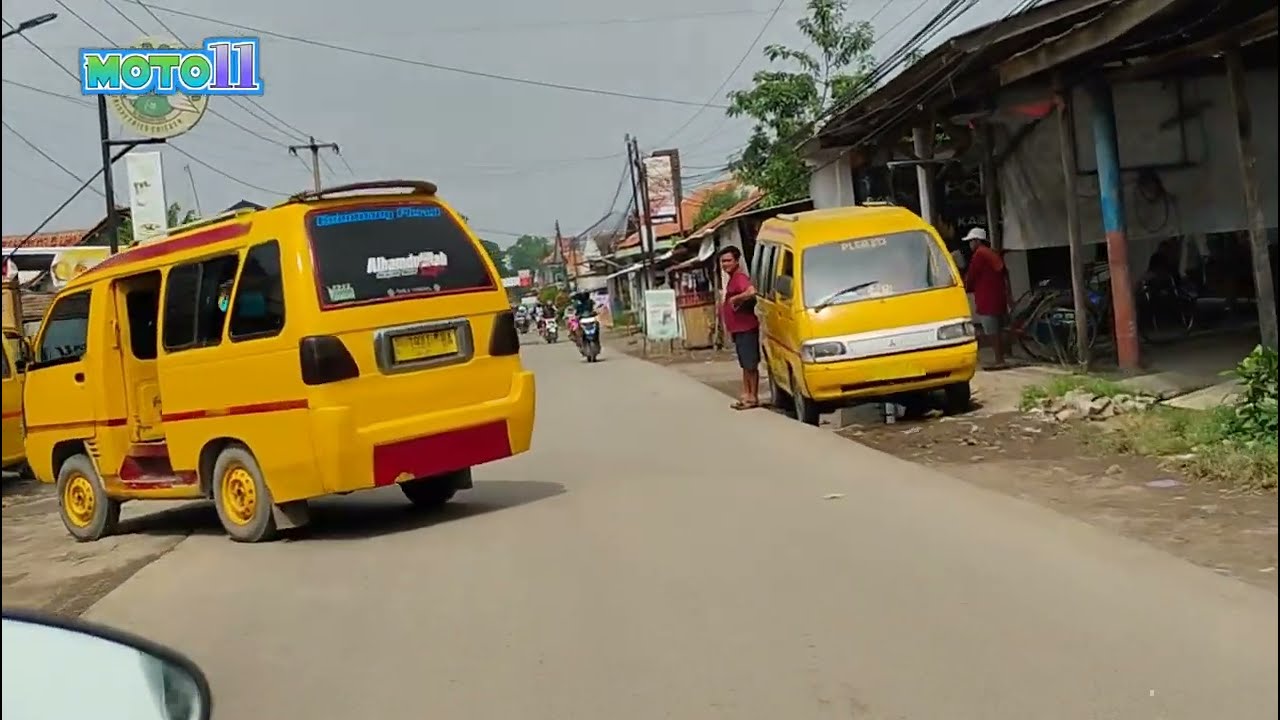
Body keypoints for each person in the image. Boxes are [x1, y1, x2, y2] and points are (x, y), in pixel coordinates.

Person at [717, 246, 761, 409]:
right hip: (739, 330)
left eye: (728, 260)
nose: (725, 264)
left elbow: (751, 291)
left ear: (737, 261)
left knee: (750, 364)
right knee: (744, 364)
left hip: (746, 328)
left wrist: (736, 298)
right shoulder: (732, 278)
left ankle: (752, 397)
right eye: (722, 261)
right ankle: (747, 395)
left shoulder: (740, 277)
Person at [962, 227, 1010, 369]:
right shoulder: (990, 253)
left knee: (992, 331)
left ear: (977, 241)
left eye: (971, 241)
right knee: (998, 329)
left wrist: (965, 287)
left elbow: (972, 275)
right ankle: (1001, 356)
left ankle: (999, 359)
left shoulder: (980, 254)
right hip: (997, 295)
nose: (970, 244)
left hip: (987, 297)